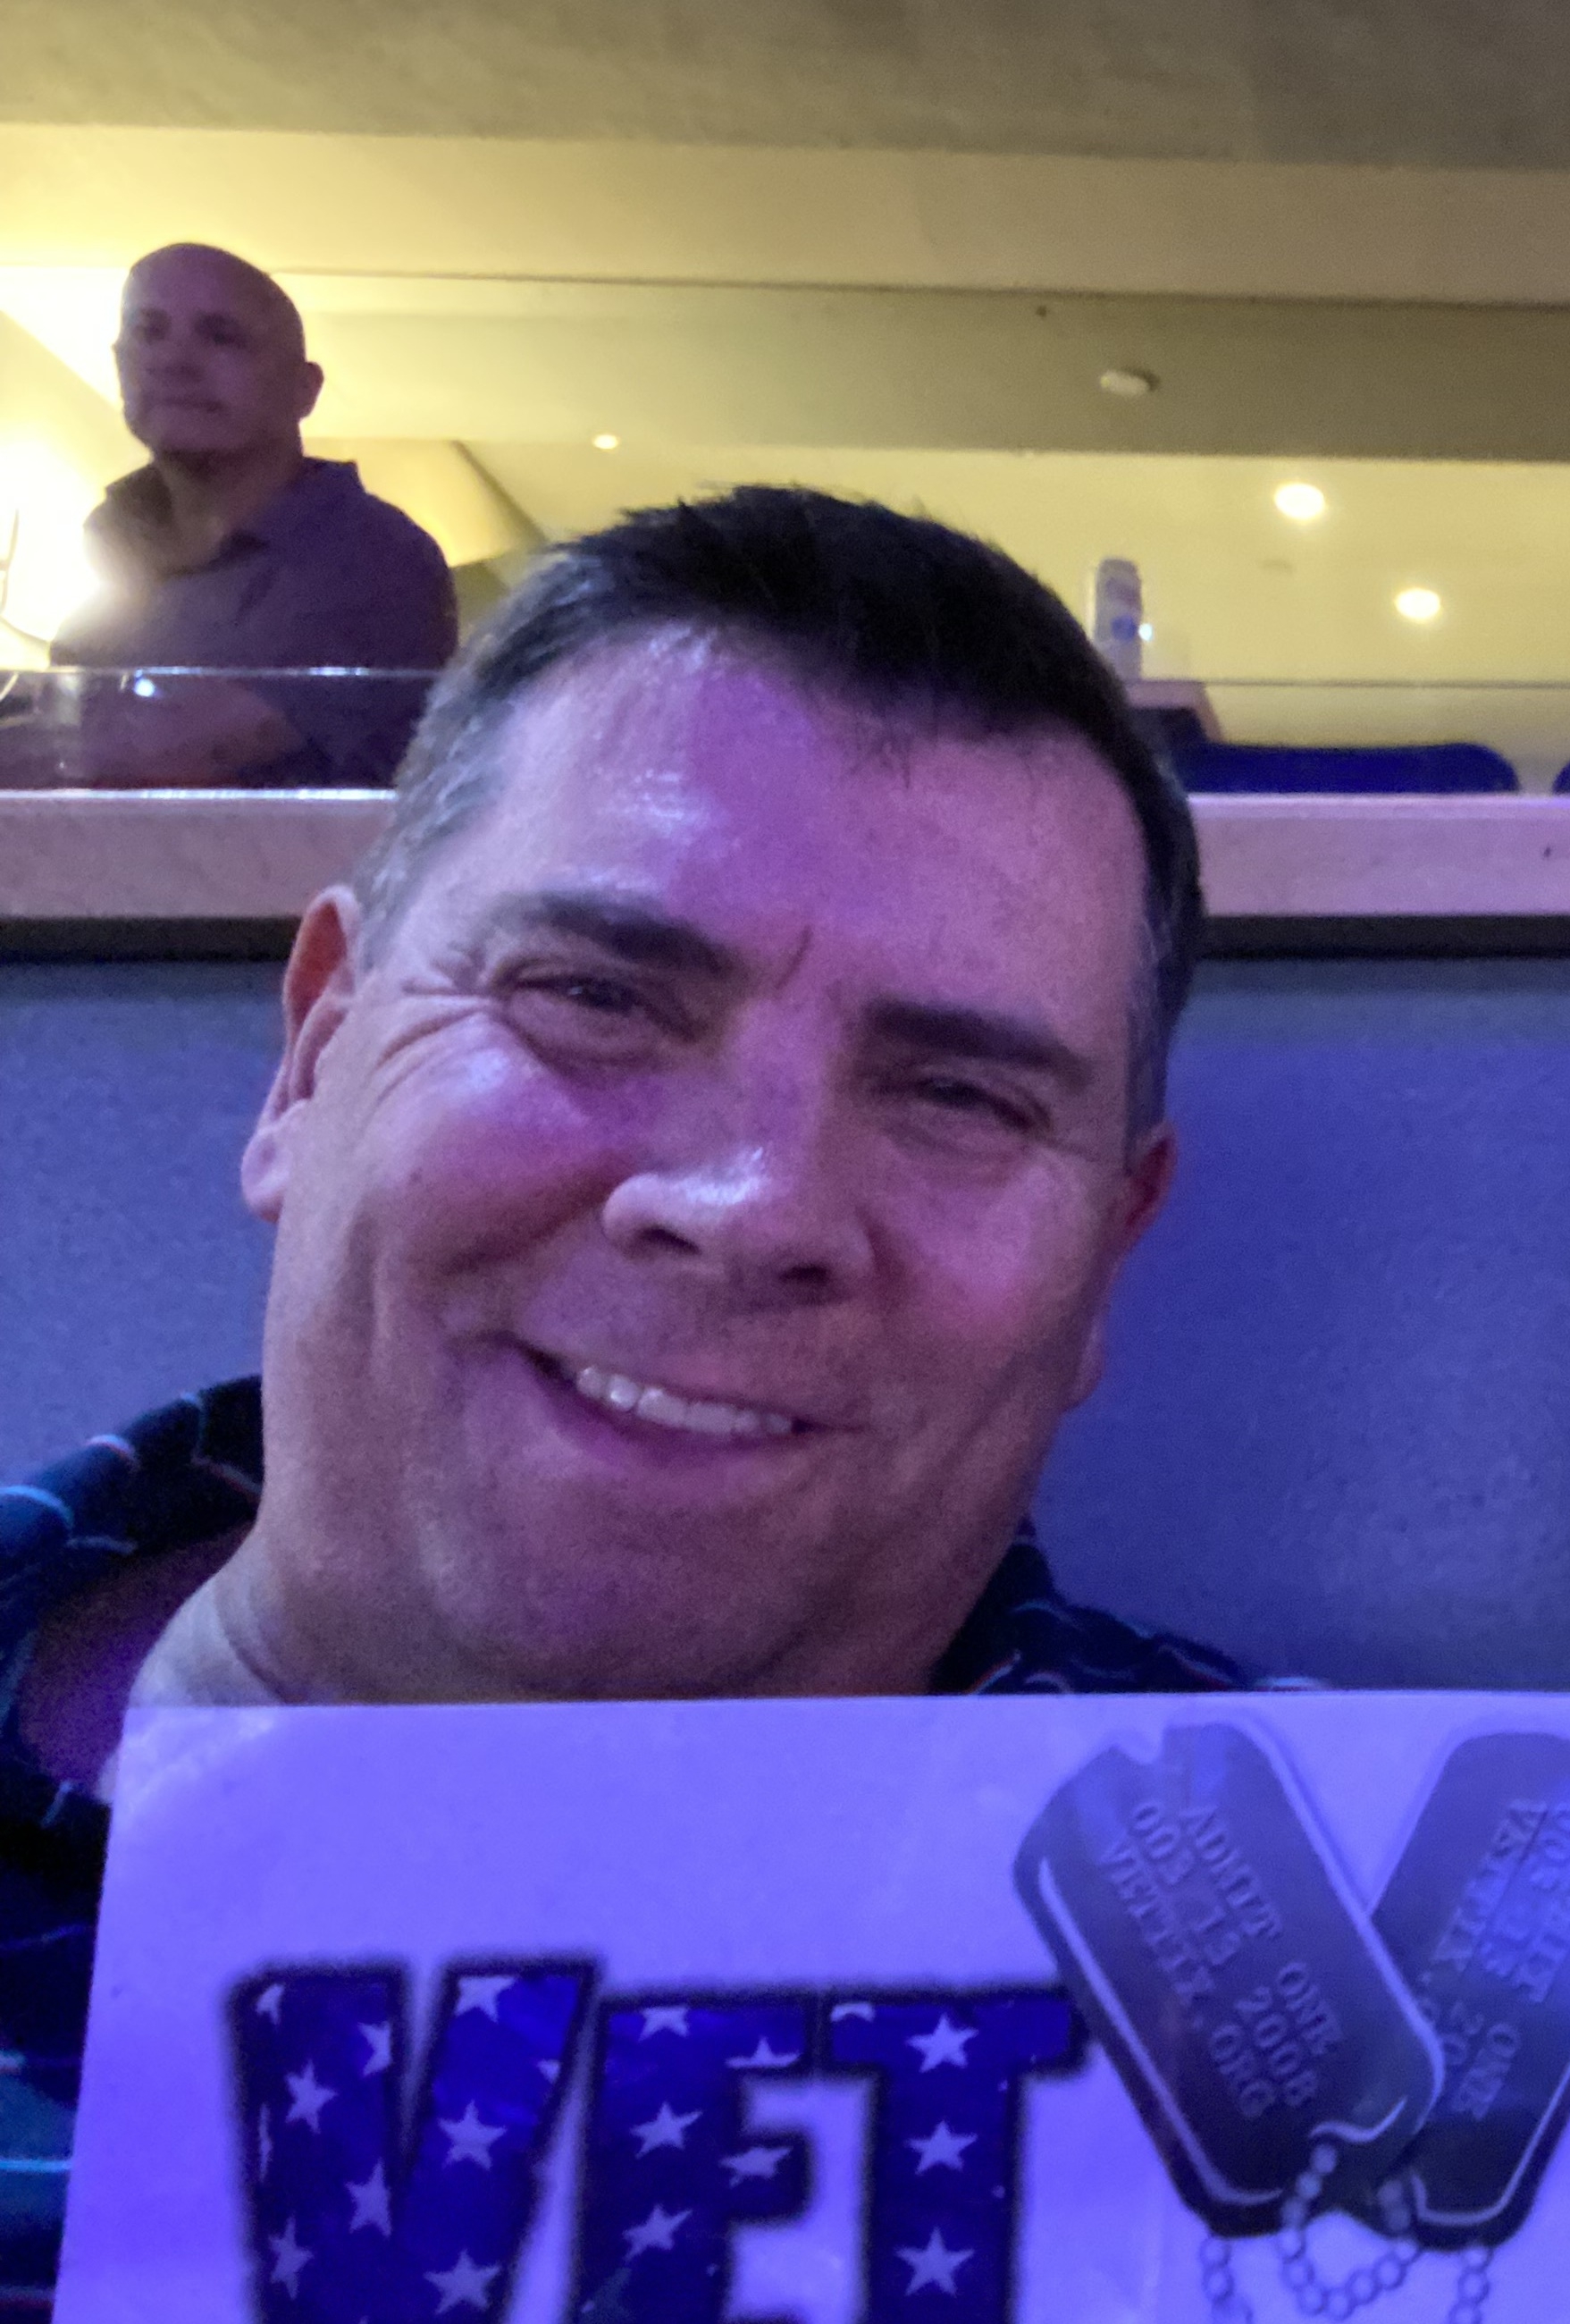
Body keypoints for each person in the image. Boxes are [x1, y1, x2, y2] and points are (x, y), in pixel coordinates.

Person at [0, 487, 1249, 2289]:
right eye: (595, 996)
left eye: (960, 1096)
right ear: (315, 1057)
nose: (753, 1206)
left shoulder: (1388, 1966)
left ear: (1106, 1260)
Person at [6, 243, 456, 789]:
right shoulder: (108, 576)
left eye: (221, 336)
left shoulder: (377, 559)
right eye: (149, 332)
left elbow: (172, 757)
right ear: (119, 361)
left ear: (304, 389)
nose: (174, 362)